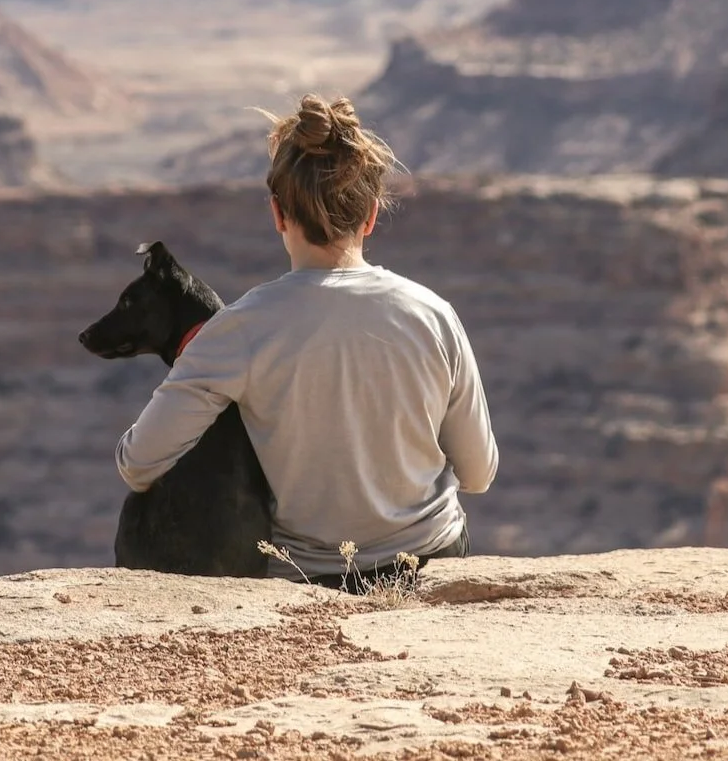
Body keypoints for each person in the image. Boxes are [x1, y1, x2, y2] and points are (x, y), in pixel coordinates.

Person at [115, 94, 497, 588]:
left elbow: (137, 464)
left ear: (277, 213)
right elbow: (479, 474)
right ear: (371, 215)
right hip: (430, 562)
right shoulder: (433, 315)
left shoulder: (239, 329)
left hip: (310, 579)